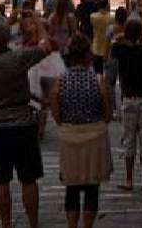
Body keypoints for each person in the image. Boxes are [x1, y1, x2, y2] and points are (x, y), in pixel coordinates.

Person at [0, 16, 53, 228]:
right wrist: (37, 22)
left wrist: (8, 20)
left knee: (1, 179)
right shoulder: (17, 58)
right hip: (21, 121)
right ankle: (33, 223)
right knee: (28, 178)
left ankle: (6, 224)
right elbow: (47, 47)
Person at [48, 34, 113, 228]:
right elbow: (108, 114)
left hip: (70, 135)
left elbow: (56, 114)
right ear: (87, 56)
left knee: (72, 187)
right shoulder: (98, 80)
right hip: (94, 135)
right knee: (92, 187)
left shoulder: (59, 82)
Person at [111, 16, 142, 191]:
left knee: (128, 138)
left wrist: (124, 34)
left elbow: (114, 40)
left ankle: (129, 179)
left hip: (128, 98)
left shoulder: (119, 50)